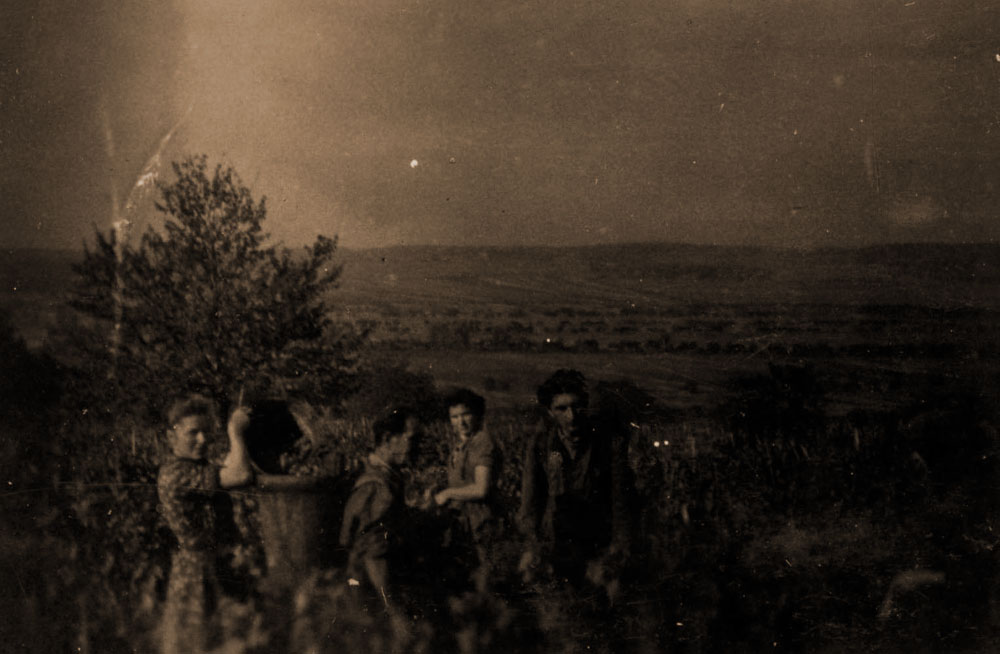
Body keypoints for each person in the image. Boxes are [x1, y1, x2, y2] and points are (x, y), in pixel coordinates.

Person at [157, 394, 254, 654]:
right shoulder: (176, 473)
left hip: (216, 570)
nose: (202, 439)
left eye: (206, 432)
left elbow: (231, 466)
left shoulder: (197, 467)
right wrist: (235, 431)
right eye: (193, 432)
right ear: (171, 437)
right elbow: (241, 474)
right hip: (195, 577)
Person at [517, 369, 631, 587]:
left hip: (598, 543)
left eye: (576, 406)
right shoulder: (541, 445)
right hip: (555, 542)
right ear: (550, 412)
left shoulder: (608, 443)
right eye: (561, 408)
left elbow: (621, 502)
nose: (571, 416)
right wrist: (532, 546)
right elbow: (530, 501)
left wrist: (618, 550)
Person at [338, 407, 418, 612]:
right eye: (411, 439)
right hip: (372, 594)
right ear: (387, 439)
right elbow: (373, 554)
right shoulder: (377, 485)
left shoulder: (386, 477)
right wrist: (392, 608)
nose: (416, 446)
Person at [433, 388, 499, 591]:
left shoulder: (482, 443)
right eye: (454, 417)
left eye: (466, 415)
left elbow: (481, 489)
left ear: (477, 415)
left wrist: (447, 493)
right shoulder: (462, 445)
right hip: (462, 522)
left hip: (480, 521)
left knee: (483, 579)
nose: (460, 422)